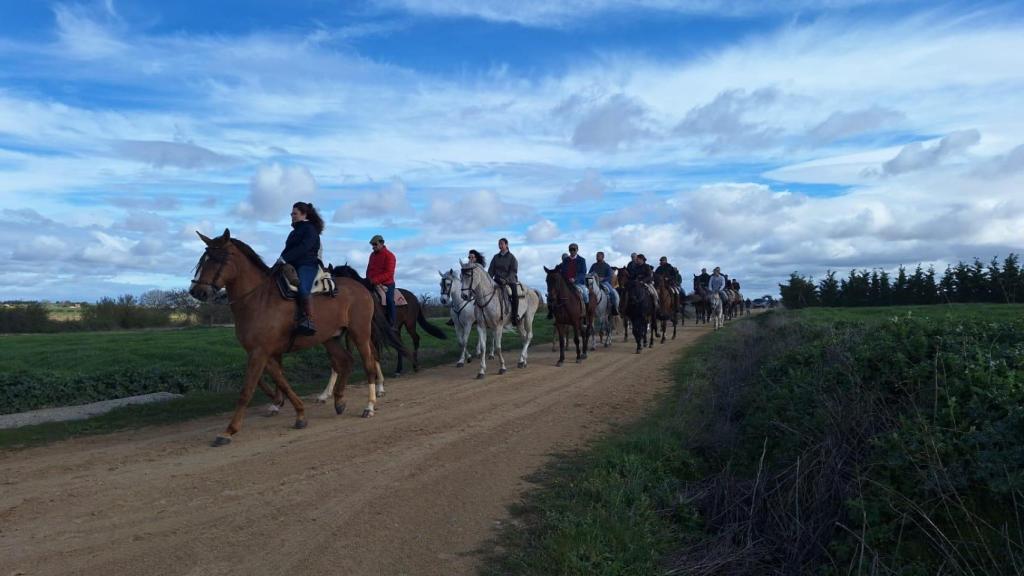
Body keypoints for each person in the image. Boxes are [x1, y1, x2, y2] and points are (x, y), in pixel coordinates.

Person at [277, 201, 323, 336]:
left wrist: (286, 258)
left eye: (295, 213)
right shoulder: (293, 233)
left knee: (303, 288)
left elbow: (305, 247)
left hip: (307, 264)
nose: (292, 215)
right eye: (292, 213)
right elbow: (286, 250)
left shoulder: (310, 229)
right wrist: (278, 262)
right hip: (292, 265)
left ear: (304, 215)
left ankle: (309, 320)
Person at [366, 234, 397, 328]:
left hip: (387, 284)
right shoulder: (372, 255)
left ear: (382, 243)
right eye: (372, 245)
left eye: (375, 244)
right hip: (372, 282)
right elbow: (369, 269)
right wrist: (368, 279)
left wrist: (374, 280)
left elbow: (389, 273)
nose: (373, 247)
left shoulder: (390, 256)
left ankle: (392, 323)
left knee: (389, 300)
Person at [487, 238, 519, 326]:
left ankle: (514, 316)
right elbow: (491, 270)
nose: (500, 245)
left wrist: (506, 280)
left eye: (501, 244)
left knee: (514, 295)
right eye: (499, 244)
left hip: (510, 280)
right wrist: (488, 279)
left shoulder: (512, 257)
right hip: (497, 279)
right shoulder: (495, 257)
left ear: (506, 245)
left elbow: (513, 270)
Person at [588, 251, 619, 316]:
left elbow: (610, 276)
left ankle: (614, 308)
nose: (597, 257)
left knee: (612, 293)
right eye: (596, 256)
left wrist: (603, 278)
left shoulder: (607, 266)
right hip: (594, 283)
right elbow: (589, 274)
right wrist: (592, 276)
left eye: (598, 256)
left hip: (604, 282)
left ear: (602, 257)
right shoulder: (594, 265)